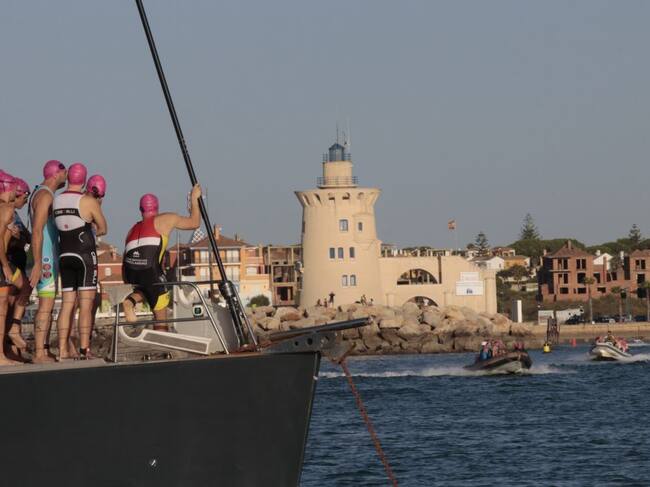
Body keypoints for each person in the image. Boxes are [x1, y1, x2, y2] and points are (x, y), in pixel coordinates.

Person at [122, 185, 201, 330]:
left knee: (144, 288)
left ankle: (130, 301)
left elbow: (125, 258)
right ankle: (162, 341)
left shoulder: (132, 229)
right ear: (157, 207)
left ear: (141, 210)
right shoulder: (166, 219)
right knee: (161, 318)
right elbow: (194, 223)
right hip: (150, 271)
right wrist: (194, 199)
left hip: (130, 272)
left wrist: (130, 282)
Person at [53, 163, 107, 360]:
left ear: (68, 178)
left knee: (67, 305)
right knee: (85, 304)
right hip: (84, 255)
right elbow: (103, 228)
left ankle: (62, 350)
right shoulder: (87, 201)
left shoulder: (56, 200)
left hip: (64, 255)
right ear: (84, 180)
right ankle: (85, 349)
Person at [29, 160, 67, 363]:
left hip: (46, 256)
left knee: (48, 304)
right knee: (45, 304)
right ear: (55, 174)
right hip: (44, 258)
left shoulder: (41, 193)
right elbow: (37, 230)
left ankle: (43, 349)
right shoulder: (44, 196)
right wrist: (37, 263)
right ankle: (39, 352)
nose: (66, 176)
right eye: (64, 172)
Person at [4, 177, 32, 359]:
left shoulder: (14, 213)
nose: (26, 202)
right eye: (25, 198)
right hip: (9, 263)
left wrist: (21, 237)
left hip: (17, 262)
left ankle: (10, 349)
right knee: (26, 287)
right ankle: (14, 328)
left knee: (12, 303)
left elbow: (27, 237)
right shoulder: (7, 212)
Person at [0, 171, 20, 365]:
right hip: (1, 261)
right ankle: (0, 355)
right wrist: (5, 265)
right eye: (15, 187)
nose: (17, 191)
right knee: (2, 307)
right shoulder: (6, 208)